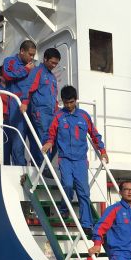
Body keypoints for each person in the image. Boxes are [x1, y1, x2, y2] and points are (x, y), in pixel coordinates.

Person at [42, 86, 108, 235]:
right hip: (65, 159)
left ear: (76, 100)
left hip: (80, 161)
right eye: (66, 103)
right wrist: (49, 142)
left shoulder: (84, 116)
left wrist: (102, 151)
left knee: (84, 192)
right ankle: (64, 208)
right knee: (67, 185)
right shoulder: (58, 116)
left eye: (71, 102)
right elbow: (51, 133)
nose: (69, 105)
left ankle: (86, 224)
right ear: (62, 102)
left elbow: (94, 135)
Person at [2, 40, 38, 165]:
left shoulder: (34, 67)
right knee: (18, 139)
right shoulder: (10, 61)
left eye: (33, 55)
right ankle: (21, 170)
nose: (32, 57)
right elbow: (7, 75)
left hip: (32, 106)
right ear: (22, 51)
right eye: (30, 54)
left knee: (35, 138)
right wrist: (25, 70)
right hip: (16, 106)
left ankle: (36, 167)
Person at [24, 48, 61, 166]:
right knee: (44, 138)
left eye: (56, 63)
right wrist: (24, 103)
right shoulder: (37, 71)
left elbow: (54, 96)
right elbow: (28, 88)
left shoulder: (52, 77)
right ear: (45, 59)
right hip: (41, 112)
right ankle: (41, 165)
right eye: (52, 62)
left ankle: (45, 165)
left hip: (52, 113)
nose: (54, 65)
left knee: (56, 138)